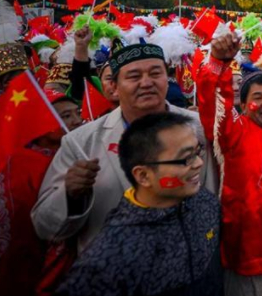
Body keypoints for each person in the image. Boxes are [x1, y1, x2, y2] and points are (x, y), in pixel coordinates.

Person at [31, 42, 216, 254]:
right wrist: (70, 195)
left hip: (192, 263)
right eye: (134, 76)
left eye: (155, 73)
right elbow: (45, 227)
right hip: (114, 268)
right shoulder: (81, 143)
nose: (146, 83)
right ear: (114, 86)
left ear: (167, 78)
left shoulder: (202, 127)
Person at [56, 111, 223, 296]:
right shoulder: (109, 257)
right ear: (143, 175)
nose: (199, 163)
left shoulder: (206, 203)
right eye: (186, 158)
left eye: (198, 151)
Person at [197, 34, 262, 296]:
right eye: (258, 97)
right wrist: (218, 62)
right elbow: (213, 105)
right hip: (245, 258)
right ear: (243, 105)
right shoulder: (234, 131)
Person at [0, 89, 83, 296]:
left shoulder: (81, 155)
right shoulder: (19, 163)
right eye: (66, 116)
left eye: (77, 113)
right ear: (39, 122)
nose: (78, 121)